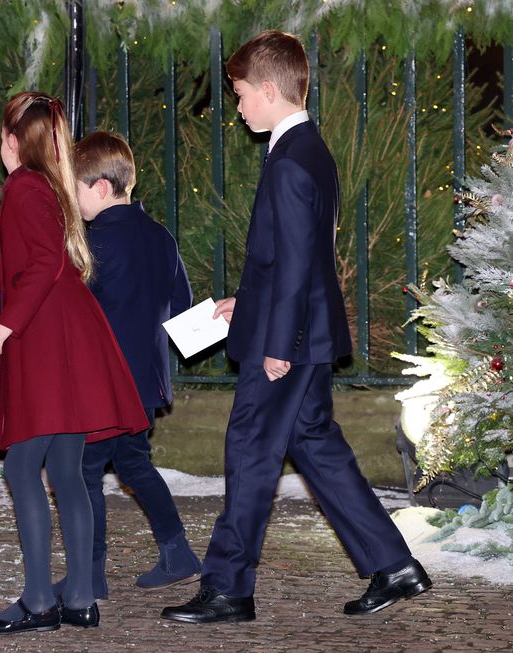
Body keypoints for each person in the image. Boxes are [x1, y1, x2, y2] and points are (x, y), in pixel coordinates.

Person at [160, 30, 431, 625]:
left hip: (289, 340)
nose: (236, 107)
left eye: (238, 96)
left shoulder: (289, 160)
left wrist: (276, 342)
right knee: (316, 446)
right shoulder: (309, 149)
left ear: (267, 88)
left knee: (250, 451)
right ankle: (393, 565)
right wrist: (247, 304)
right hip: (302, 329)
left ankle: (228, 588)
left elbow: (298, 263)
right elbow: (293, 258)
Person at [0, 92, 149, 635]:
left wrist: (5, 323)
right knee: (65, 471)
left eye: (2, 137)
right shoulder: (51, 186)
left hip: (47, 338)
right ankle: (82, 600)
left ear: (12, 142)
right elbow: (23, 265)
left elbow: (40, 267)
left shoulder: (23, 185)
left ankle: (40, 602)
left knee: (23, 468)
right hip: (70, 334)